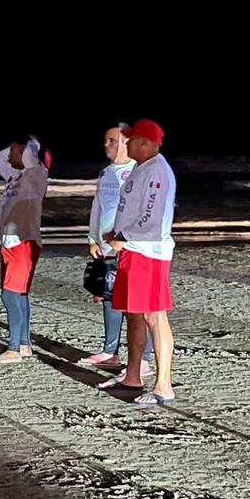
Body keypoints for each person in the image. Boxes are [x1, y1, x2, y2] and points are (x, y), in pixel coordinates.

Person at [103, 119, 177, 406]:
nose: (127, 144)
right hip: (134, 251)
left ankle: (163, 385)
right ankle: (132, 376)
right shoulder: (142, 167)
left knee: (154, 316)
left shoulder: (157, 170)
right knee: (134, 313)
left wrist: (121, 235)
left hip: (149, 253)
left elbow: (152, 218)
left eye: (131, 140)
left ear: (146, 143)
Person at [81, 124, 154, 374]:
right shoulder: (106, 173)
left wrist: (126, 238)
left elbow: (144, 211)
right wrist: (93, 238)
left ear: (127, 142)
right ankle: (110, 351)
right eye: (106, 140)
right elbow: (98, 207)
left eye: (112, 140)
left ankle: (143, 358)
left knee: (136, 304)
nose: (106, 145)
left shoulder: (137, 171)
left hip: (129, 246)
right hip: (107, 246)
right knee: (109, 297)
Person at [0, 135, 48, 363]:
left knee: (10, 295)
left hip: (23, 241)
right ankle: (23, 345)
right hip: (11, 242)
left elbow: (31, 161)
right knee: (20, 295)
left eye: (15, 152)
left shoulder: (35, 174)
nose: (9, 156)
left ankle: (13, 348)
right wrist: (14, 147)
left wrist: (30, 146)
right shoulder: (16, 176)